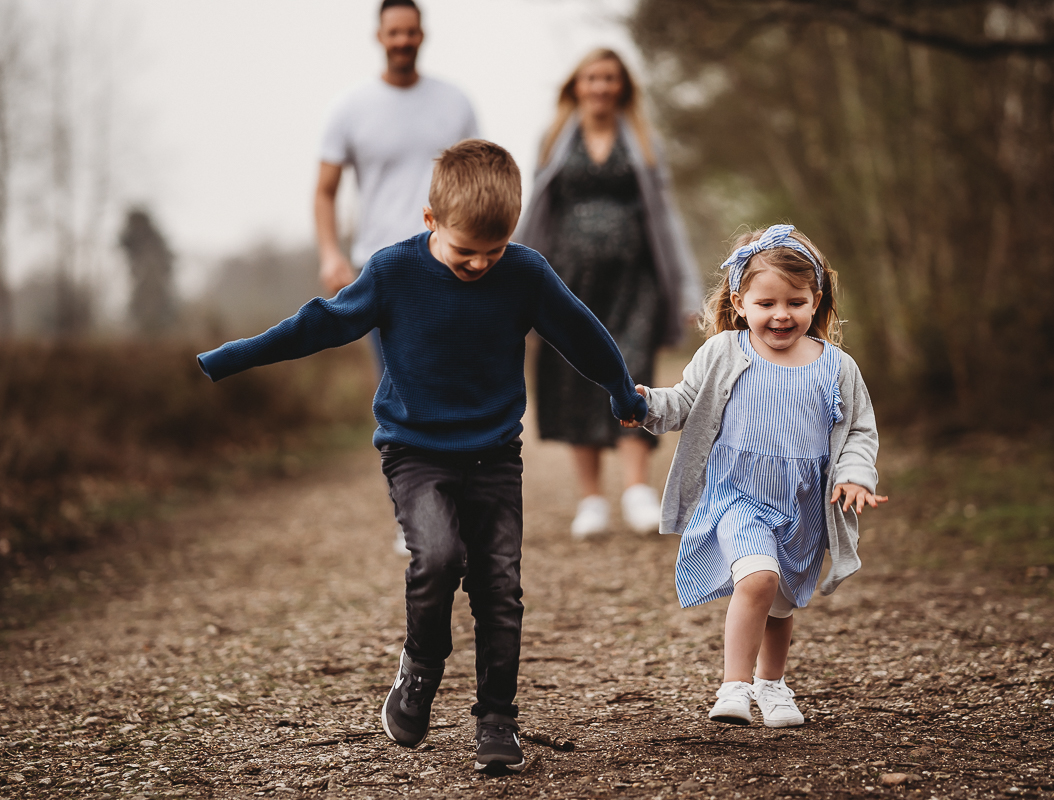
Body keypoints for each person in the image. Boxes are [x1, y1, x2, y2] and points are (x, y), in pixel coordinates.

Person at [198, 140, 647, 774]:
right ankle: (421, 668)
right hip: (416, 452)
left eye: (494, 251)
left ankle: (496, 719)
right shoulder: (392, 271)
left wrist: (621, 389)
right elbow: (320, 322)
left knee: (499, 588)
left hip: (494, 452)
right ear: (430, 220)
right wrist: (234, 356)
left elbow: (579, 330)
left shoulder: (524, 272)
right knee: (437, 557)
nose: (481, 264)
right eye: (467, 252)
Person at [621, 224, 887, 727]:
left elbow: (858, 431)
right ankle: (734, 686)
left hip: (803, 505)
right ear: (741, 303)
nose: (781, 314)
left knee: (781, 603)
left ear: (817, 302)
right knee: (759, 578)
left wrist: (855, 476)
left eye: (795, 301)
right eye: (766, 303)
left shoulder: (836, 367)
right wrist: (645, 405)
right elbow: (682, 403)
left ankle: (772, 684)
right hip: (737, 495)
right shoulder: (724, 353)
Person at [515, 48, 702, 539]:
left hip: (635, 281)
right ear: (575, 86)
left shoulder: (642, 139)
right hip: (568, 280)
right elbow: (538, 211)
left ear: (622, 87)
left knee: (631, 366)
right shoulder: (554, 138)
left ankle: (637, 488)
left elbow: (666, 218)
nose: (600, 87)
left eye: (610, 79)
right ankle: (591, 500)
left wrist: (684, 288)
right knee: (574, 376)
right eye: (591, 78)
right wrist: (510, 283)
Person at [315, 0, 477, 557]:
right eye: (394, 31)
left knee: (457, 378)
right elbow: (326, 189)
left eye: (411, 31)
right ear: (379, 35)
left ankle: (459, 498)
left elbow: (479, 173)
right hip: (381, 268)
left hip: (452, 261)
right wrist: (331, 253)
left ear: (422, 34)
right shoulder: (351, 108)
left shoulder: (454, 103)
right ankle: (415, 512)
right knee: (400, 388)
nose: (403, 39)